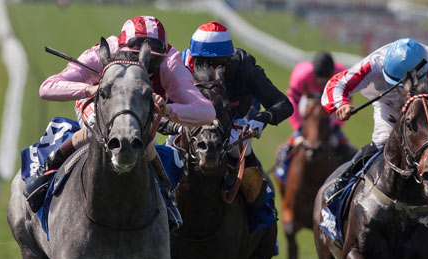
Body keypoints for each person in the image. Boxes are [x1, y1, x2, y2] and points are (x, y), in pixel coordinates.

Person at [24, 16, 216, 231]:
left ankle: (166, 191)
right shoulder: (99, 53)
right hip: (100, 103)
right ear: (122, 48)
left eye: (152, 60)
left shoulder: (170, 63)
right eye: (134, 57)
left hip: (140, 108)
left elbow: (207, 112)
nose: (144, 65)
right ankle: (50, 166)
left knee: (141, 137)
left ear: (163, 55)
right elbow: (47, 88)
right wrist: (90, 89)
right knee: (100, 126)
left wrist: (169, 110)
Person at [321, 38, 428, 214]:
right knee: (382, 141)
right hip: (389, 107)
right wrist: (341, 104)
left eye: (401, 86)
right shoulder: (375, 63)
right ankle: (341, 184)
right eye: (394, 84)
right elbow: (337, 83)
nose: (399, 90)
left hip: (423, 114)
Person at [174, 21, 293, 205]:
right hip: (190, 124)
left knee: (243, 165)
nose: (211, 70)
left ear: (229, 59)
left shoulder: (243, 65)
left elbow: (283, 104)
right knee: (166, 158)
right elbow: (158, 108)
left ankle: (263, 216)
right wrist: (176, 123)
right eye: (202, 63)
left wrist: (262, 118)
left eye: (218, 63)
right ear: (192, 58)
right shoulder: (178, 65)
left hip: (234, 123)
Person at [275, 51, 354, 179]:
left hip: (330, 110)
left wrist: (336, 126)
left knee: (344, 145)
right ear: (313, 72)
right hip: (306, 106)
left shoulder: (341, 75)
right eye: (319, 77)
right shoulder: (302, 75)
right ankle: (282, 164)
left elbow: (347, 102)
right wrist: (299, 127)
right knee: (295, 140)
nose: (322, 82)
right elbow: (292, 103)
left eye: (326, 78)